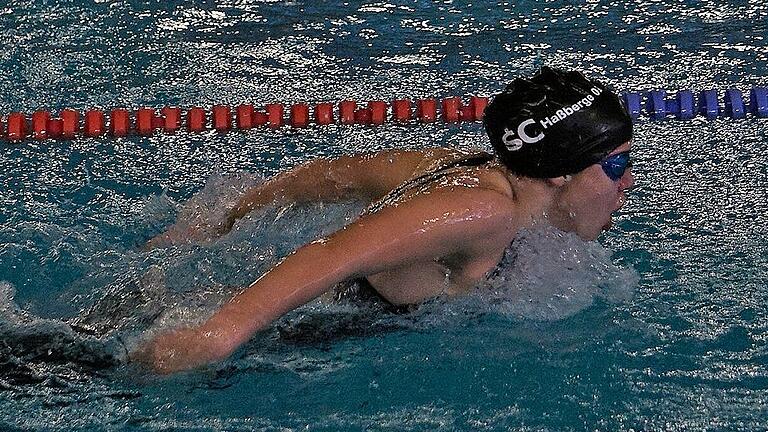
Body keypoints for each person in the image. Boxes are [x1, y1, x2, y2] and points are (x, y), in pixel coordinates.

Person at [132, 66, 635, 374]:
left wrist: (220, 220)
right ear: (557, 172)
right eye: (614, 165)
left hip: (227, 305)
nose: (628, 183)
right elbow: (332, 254)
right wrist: (216, 335)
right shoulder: (482, 211)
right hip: (270, 333)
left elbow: (333, 177)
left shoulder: (459, 169)